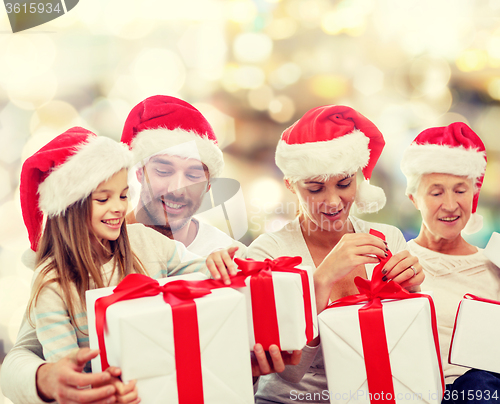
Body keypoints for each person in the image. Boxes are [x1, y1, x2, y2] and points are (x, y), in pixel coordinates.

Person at [0, 127, 231, 403]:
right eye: (102, 198)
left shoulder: (145, 241)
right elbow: (70, 372)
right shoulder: (53, 284)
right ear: (71, 206)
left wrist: (216, 264)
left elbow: (206, 278)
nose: (119, 207)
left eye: (123, 196)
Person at [246, 105, 425, 404]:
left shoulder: (387, 239)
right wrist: (323, 279)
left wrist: (412, 292)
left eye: (344, 184)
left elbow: (405, 349)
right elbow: (287, 374)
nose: (332, 202)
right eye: (315, 189)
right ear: (290, 185)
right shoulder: (269, 253)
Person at [400, 122, 500, 403]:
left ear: (474, 194)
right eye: (436, 192)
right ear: (414, 198)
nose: (450, 204)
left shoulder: (494, 266)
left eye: (460, 190)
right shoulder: (398, 263)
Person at [121, 95, 246, 256]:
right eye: (164, 172)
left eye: (193, 176)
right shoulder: (98, 245)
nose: (178, 189)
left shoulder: (230, 256)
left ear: (208, 186)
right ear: (139, 173)